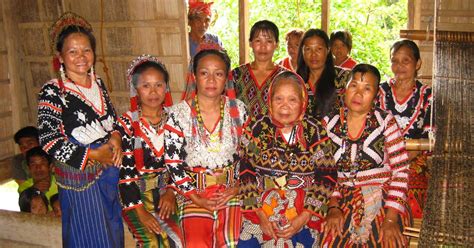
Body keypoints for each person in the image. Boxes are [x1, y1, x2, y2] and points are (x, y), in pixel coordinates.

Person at [37, 12, 123, 247]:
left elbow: (112, 120)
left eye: (86, 50)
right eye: (72, 51)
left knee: (112, 232)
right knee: (90, 236)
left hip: (108, 173)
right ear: (61, 57)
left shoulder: (99, 84)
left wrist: (115, 136)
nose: (81, 57)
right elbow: (48, 139)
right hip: (80, 178)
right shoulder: (53, 91)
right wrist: (93, 155)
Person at [237, 71, 337, 247]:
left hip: (302, 209)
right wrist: (260, 215)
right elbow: (245, 171)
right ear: (270, 100)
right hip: (262, 207)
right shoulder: (257, 127)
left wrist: (304, 217)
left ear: (303, 102)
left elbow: (326, 175)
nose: (285, 106)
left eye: (292, 100)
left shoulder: (314, 130)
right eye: (279, 99)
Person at [321, 64, 411, 247]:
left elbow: (401, 170)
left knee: (385, 241)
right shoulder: (328, 124)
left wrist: (391, 219)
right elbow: (324, 171)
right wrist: (332, 206)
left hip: (382, 197)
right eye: (354, 85)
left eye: (367, 88)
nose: (359, 94)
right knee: (331, 238)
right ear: (344, 89)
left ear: (376, 95)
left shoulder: (386, 122)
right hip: (339, 197)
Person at [165, 49, 247, 248]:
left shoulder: (238, 109)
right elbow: (173, 163)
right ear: (194, 76)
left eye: (218, 73)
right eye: (204, 73)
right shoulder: (178, 114)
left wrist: (237, 188)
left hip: (231, 191)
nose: (211, 80)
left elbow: (250, 155)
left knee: (234, 240)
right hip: (195, 193)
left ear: (226, 78)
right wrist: (195, 198)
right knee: (195, 242)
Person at [118, 55, 183, 247]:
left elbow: (182, 160)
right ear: (135, 89)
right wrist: (140, 211)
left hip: (167, 192)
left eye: (159, 85)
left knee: (178, 239)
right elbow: (125, 172)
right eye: (146, 86)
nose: (153, 92)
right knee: (152, 241)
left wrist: (171, 192)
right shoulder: (127, 123)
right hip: (135, 195)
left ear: (166, 87)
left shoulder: (176, 119)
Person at [377, 39, 433, 219]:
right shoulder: (380, 92)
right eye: (395, 61)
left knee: (412, 198)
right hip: (382, 158)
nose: (399, 66)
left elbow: (429, 137)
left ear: (418, 63)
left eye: (405, 61)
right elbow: (372, 130)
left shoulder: (428, 96)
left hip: (414, 160)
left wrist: (401, 160)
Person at [232, 20, 287, 117]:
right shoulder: (236, 75)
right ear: (250, 43)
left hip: (275, 132)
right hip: (241, 131)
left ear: (277, 44)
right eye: (258, 41)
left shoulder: (285, 77)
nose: (263, 46)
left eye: (269, 41)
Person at [296, 28, 351, 118]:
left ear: (328, 50)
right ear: (302, 51)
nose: (313, 55)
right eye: (308, 49)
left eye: (319, 49)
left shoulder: (344, 78)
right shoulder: (295, 82)